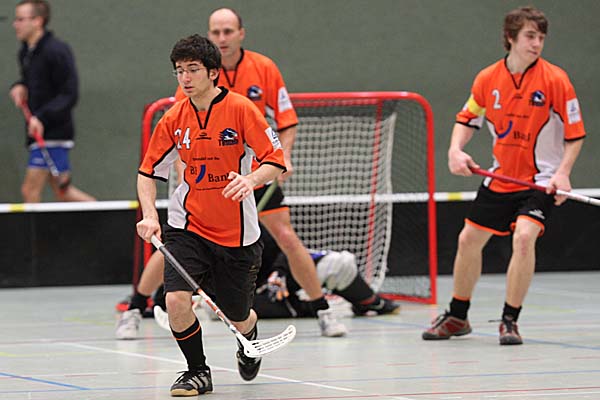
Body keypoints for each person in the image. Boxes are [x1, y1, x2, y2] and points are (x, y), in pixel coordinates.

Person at [117, 7, 347, 339]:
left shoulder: (263, 68)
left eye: (228, 31)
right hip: (206, 181)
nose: (222, 38)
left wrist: (282, 159)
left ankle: (321, 309)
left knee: (285, 236)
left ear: (241, 33)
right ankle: (136, 307)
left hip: (254, 173)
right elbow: (185, 133)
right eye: (216, 32)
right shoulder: (191, 77)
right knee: (177, 241)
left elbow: (286, 121)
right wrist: (185, 173)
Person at [422, 6, 586, 346]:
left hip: (541, 180)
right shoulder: (488, 78)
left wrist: (564, 174)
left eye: (541, 37)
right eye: (530, 36)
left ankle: (510, 320)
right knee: (468, 240)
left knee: (524, 238)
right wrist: (455, 150)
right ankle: (457, 316)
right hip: (501, 178)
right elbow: (467, 118)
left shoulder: (556, 80)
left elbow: (575, 134)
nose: (537, 43)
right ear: (511, 38)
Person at [136, 34, 286, 396]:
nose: (185, 78)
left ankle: (248, 333)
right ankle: (197, 371)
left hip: (237, 234)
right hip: (187, 227)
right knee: (175, 299)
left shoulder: (241, 109)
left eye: (193, 69)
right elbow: (147, 172)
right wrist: (150, 215)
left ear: (213, 72)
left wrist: (250, 180)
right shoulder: (173, 118)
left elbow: (275, 160)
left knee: (237, 314)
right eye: (179, 71)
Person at [153, 226, 400, 328]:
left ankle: (370, 301)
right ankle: (308, 307)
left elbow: (284, 245)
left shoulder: (249, 216)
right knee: (222, 310)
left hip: (284, 272)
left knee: (340, 265)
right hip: (253, 292)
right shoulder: (195, 235)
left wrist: (280, 273)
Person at [9, 0, 95, 203]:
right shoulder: (26, 52)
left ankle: (35, 234)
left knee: (30, 190)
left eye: (20, 19)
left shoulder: (56, 51)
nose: (15, 24)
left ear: (38, 21)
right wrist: (20, 86)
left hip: (53, 133)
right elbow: (32, 81)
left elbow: (69, 94)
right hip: (38, 133)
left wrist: (41, 117)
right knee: (63, 192)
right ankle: (105, 216)